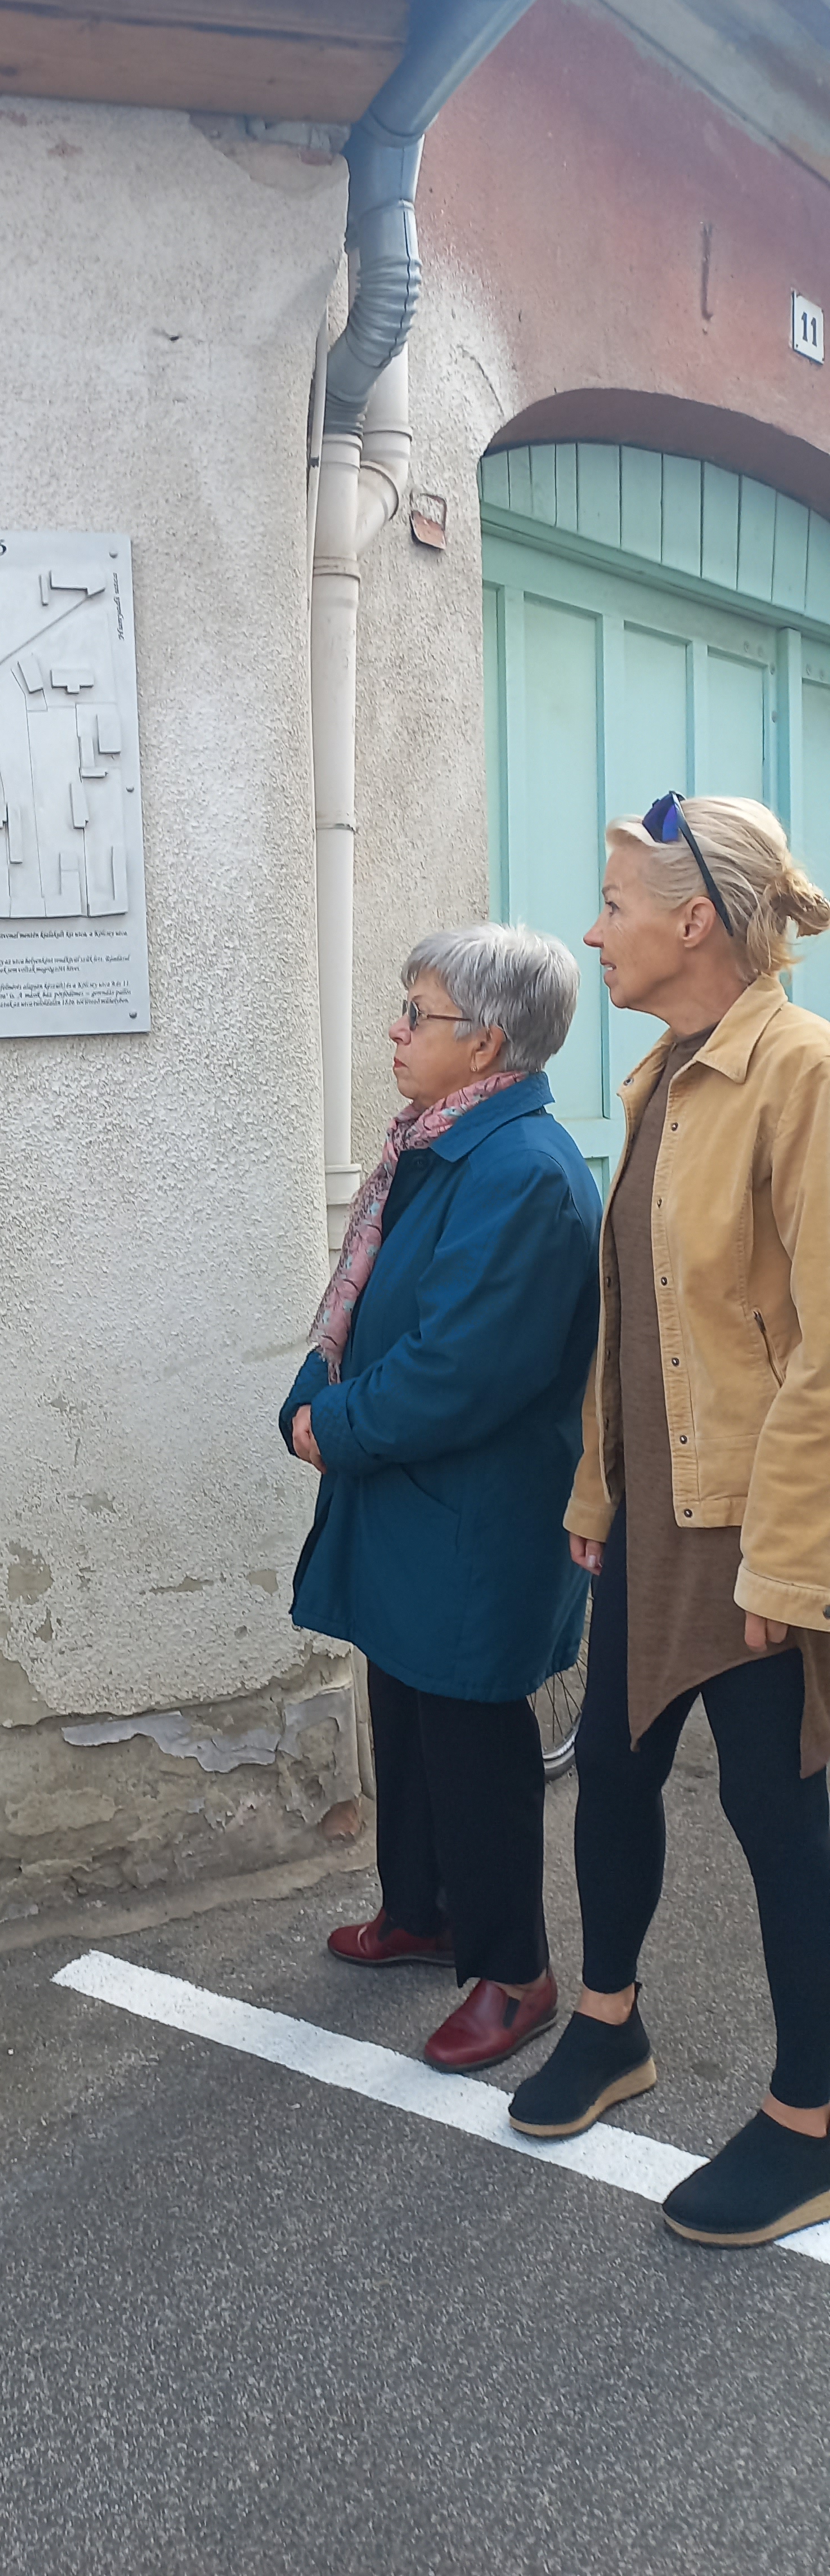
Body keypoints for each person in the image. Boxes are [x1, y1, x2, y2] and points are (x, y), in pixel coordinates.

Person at [509, 794, 830, 2250]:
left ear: (693, 921)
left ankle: (810, 2114)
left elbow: (822, 1344)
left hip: (754, 1528)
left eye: (615, 906)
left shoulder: (798, 1074)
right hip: (655, 1509)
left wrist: (791, 1561)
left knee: (777, 1815)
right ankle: (610, 2022)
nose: (593, 932)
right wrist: (598, 1489)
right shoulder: (665, 1079)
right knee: (616, 1773)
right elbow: (636, 1324)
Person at [280, 924, 601, 2070]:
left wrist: (331, 1425)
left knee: (473, 1738)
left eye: (419, 1013)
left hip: (475, 1516)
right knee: (407, 1710)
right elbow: (372, 1304)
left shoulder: (523, 1173)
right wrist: (314, 1385)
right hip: (416, 1498)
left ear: (489, 1042)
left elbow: (458, 1369)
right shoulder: (439, 1143)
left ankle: (516, 1972)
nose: (396, 1030)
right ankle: (421, 1910)